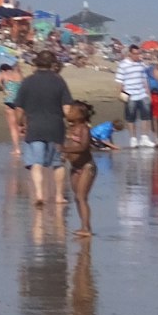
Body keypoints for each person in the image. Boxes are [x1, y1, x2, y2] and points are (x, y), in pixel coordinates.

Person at [16, 50, 74, 208]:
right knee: (58, 164)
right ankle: (59, 196)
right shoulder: (59, 81)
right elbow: (67, 108)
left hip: (34, 127)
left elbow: (19, 108)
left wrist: (20, 123)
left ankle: (39, 195)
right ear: (53, 63)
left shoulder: (27, 81)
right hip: (56, 127)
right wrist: (71, 124)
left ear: (36, 63)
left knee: (36, 163)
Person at [63, 100, 98, 239]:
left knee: (81, 197)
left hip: (87, 167)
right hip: (75, 167)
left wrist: (66, 149)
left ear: (80, 115)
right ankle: (83, 225)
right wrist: (65, 155)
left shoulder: (84, 129)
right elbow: (68, 143)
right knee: (77, 198)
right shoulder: (70, 129)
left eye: (71, 110)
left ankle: (86, 228)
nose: (68, 112)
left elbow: (84, 147)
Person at [115, 47, 155, 148]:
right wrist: (120, 94)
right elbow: (119, 81)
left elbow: (144, 79)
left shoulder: (141, 64)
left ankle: (144, 138)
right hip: (130, 94)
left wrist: (148, 93)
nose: (138, 56)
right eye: (135, 54)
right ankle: (133, 139)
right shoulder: (123, 65)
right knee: (131, 117)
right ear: (130, 54)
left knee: (146, 116)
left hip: (142, 93)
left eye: (139, 53)